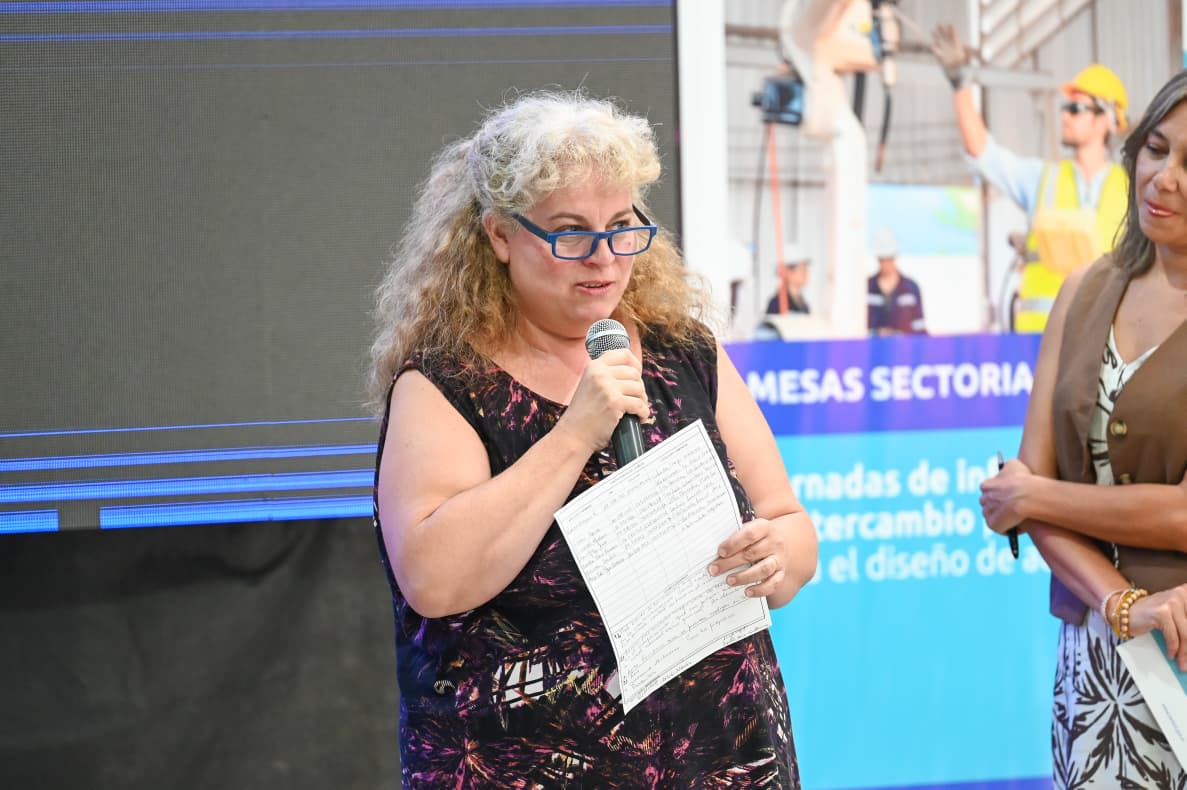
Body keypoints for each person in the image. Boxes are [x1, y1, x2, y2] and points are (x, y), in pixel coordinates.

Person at [367, 91, 818, 788]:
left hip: (722, 754)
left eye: (621, 227)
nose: (604, 258)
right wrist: (575, 433)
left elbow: (789, 523)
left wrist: (777, 556)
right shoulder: (446, 383)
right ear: (499, 236)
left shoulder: (683, 352)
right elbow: (434, 579)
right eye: (571, 234)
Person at [979, 70, 1187, 786]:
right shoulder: (1083, 289)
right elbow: (1030, 480)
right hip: (1094, 663)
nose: (1164, 177)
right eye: (1156, 149)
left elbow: (1181, 514)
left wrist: (1033, 498)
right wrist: (1120, 604)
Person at [932, 25, 1129, 333]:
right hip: (1040, 340)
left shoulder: (1133, 190)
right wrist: (960, 85)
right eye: (1065, 108)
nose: (1065, 115)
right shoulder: (1042, 180)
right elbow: (983, 151)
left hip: (1105, 339)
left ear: (1107, 120)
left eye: (1076, 108)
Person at [867, 228, 926, 335]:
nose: (886, 263)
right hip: (874, 345)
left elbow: (919, 326)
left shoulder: (910, 288)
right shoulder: (868, 287)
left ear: (895, 256)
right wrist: (877, 333)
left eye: (889, 258)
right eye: (882, 259)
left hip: (904, 345)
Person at [765, 242, 811, 315]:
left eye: (806, 269)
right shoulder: (777, 304)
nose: (806, 274)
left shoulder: (804, 305)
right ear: (787, 272)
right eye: (802, 270)